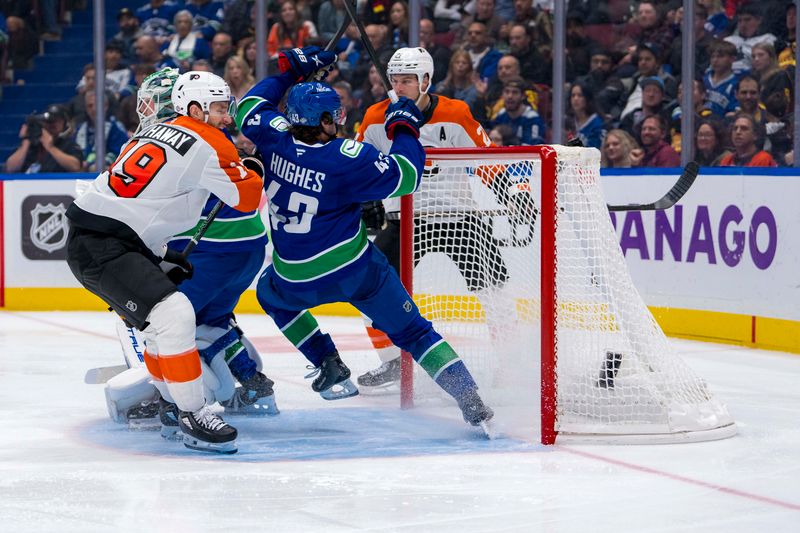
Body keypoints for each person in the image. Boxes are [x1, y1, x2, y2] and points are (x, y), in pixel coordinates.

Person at [236, 46, 494, 428]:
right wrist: (404, 127)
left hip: (295, 277)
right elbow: (407, 175)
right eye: (334, 115)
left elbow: (249, 106)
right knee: (415, 332)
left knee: (269, 294)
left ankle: (327, 360)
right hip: (356, 272)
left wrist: (290, 74)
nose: (340, 120)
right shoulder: (346, 156)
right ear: (325, 120)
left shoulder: (273, 138)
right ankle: (468, 397)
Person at [65, 70, 264, 454]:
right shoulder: (210, 140)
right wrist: (251, 168)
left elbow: (139, 205)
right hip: (107, 246)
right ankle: (193, 414)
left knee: (159, 326)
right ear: (194, 109)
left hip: (99, 239)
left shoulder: (148, 133)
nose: (227, 117)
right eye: (220, 108)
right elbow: (246, 198)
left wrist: (159, 255)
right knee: (174, 314)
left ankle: (174, 405)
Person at [353, 48, 535, 392]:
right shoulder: (376, 118)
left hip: (460, 217)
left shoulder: (455, 112)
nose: (399, 86)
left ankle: (510, 366)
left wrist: (514, 192)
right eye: (395, 80)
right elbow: (359, 162)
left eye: (407, 80)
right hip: (406, 217)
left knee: (495, 293)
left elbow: (487, 159)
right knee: (367, 285)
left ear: (425, 80)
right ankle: (392, 361)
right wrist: (366, 198)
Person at [5, 104, 83, 173]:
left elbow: (75, 166)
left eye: (57, 121)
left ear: (64, 124)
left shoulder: (68, 145)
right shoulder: (32, 146)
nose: (52, 124)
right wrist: (26, 140)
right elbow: (10, 168)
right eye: (49, 121)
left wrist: (50, 147)